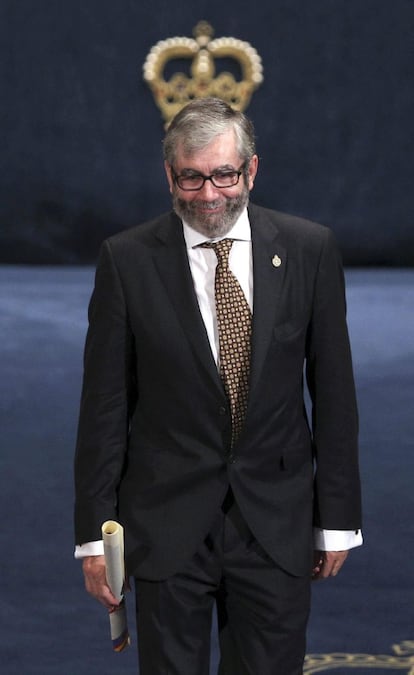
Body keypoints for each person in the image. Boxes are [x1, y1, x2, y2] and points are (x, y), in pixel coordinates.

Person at [74, 97, 362, 674]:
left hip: (275, 523)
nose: (209, 195)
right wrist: (93, 540)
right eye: (192, 177)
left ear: (251, 170)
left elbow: (333, 393)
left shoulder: (309, 250)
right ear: (169, 174)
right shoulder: (126, 261)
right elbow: (104, 410)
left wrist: (337, 519)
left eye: (224, 175)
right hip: (164, 523)